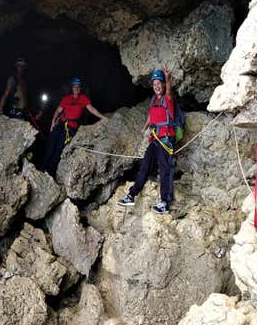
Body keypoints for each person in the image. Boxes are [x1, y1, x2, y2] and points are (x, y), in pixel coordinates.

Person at [118, 67, 175, 215]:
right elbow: (151, 116)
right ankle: (131, 195)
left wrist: (167, 78)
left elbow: (169, 92)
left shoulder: (167, 99)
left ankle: (164, 203)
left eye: (159, 83)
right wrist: (144, 128)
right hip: (155, 139)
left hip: (165, 139)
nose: (157, 86)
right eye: (154, 84)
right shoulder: (154, 100)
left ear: (163, 84)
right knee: (144, 167)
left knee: (164, 170)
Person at [42, 77, 107, 176]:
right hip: (60, 125)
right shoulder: (66, 98)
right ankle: (42, 168)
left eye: (78, 86)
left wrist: (104, 118)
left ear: (80, 88)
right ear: (72, 88)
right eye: (74, 86)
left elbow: (92, 109)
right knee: (50, 147)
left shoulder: (83, 99)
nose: (76, 88)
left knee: (59, 149)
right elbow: (57, 111)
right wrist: (52, 123)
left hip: (70, 128)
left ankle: (50, 172)